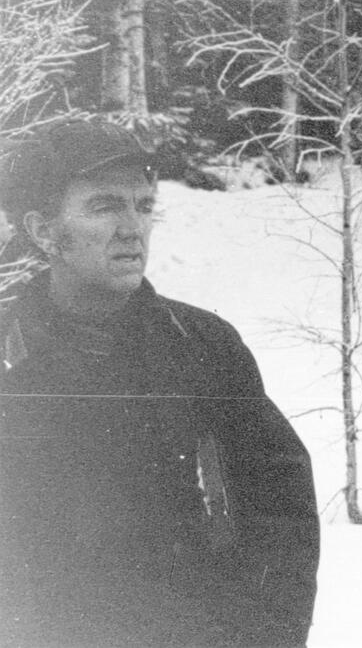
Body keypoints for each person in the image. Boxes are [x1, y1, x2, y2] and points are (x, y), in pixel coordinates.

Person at [0, 119, 320, 646]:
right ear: (43, 231)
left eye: (143, 205)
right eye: (105, 206)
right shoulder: (9, 359)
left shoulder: (204, 346)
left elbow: (280, 511)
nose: (133, 227)